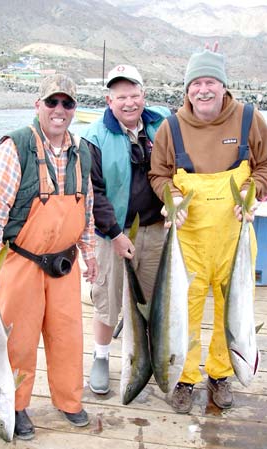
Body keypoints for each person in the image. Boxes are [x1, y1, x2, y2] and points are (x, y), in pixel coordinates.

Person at [149, 46, 267, 413]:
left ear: (224, 86)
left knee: (233, 310)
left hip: (234, 236)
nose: (203, 90)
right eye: (196, 83)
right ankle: (185, 378)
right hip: (188, 240)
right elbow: (158, 174)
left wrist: (254, 187)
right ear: (187, 89)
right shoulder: (170, 126)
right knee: (184, 311)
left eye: (210, 82)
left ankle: (221, 375)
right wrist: (170, 196)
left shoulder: (248, 118)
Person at [0, 74, 98, 440]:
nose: (59, 110)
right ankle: (15, 405)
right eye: (52, 102)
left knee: (67, 335)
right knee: (18, 339)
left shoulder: (82, 151)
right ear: (38, 105)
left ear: (74, 109)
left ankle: (69, 401)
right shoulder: (17, 146)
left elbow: (86, 209)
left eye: (67, 103)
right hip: (22, 262)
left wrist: (90, 255)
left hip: (65, 263)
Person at [81, 64, 171, 395]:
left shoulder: (163, 123)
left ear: (144, 96)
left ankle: (143, 358)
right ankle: (101, 357)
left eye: (134, 95)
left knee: (152, 300)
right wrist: (116, 235)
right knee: (107, 300)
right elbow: (95, 194)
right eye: (121, 97)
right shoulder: (93, 137)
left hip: (155, 229)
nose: (129, 103)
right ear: (109, 100)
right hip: (112, 234)